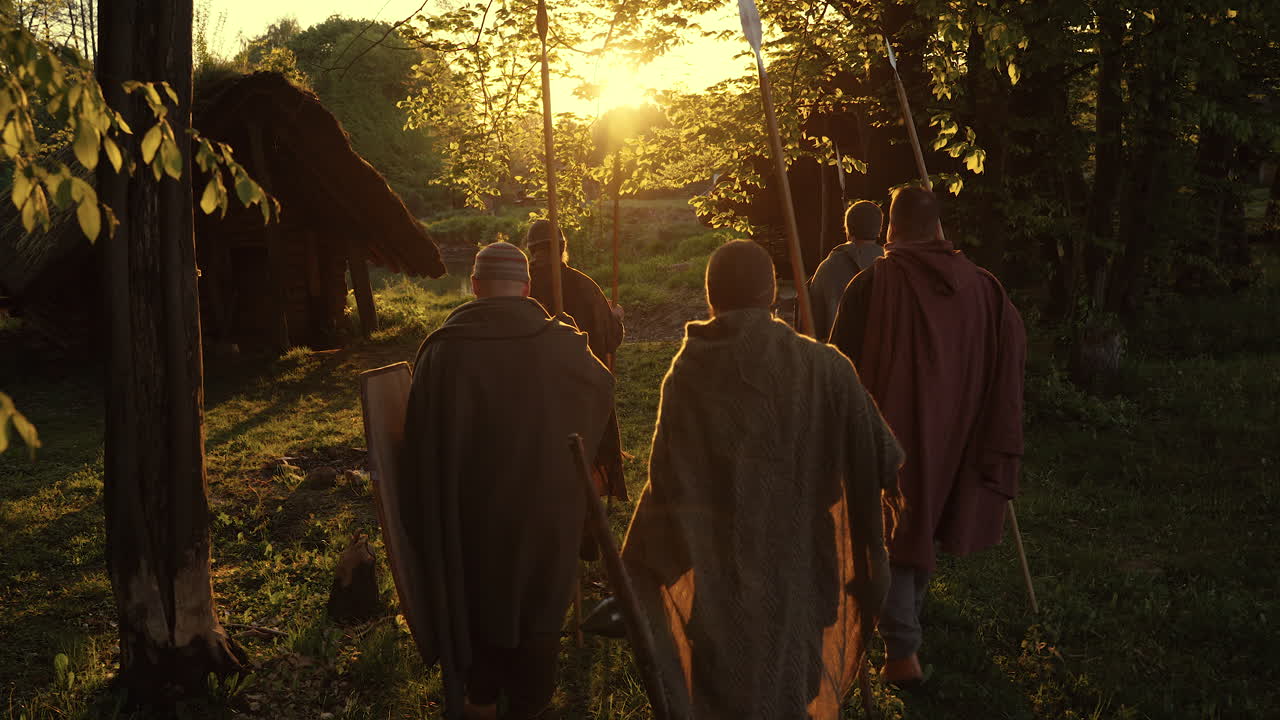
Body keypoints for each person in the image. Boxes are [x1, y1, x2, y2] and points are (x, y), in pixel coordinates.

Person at [620, 240, 903, 719]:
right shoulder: (828, 367)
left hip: (722, 573)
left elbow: (668, 484)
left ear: (710, 299)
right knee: (794, 683)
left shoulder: (688, 373)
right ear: (774, 294)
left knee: (726, 689)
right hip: (806, 568)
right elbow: (880, 459)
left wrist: (640, 566)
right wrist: (871, 553)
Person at [399, 241, 616, 719]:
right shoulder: (562, 343)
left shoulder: (439, 352)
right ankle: (528, 705)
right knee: (540, 616)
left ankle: (479, 701)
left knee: (479, 615)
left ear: (475, 286)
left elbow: (419, 450)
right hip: (545, 516)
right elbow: (602, 389)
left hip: (470, 525)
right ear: (527, 287)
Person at [828, 187, 1026, 685]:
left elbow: (837, 368)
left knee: (894, 528)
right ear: (939, 228)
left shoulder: (872, 285)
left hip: (894, 429)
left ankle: (902, 649)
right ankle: (906, 626)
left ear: (891, 230)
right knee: (922, 520)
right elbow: (1012, 350)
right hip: (959, 431)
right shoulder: (985, 287)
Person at [526, 218, 627, 500]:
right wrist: (616, 318)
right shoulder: (584, 286)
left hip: (535, 395)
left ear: (531, 250)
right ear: (562, 248)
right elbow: (609, 339)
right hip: (581, 390)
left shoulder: (521, 287)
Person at [808, 200, 885, 339]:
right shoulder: (894, 266)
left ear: (847, 229)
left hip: (838, 356)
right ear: (879, 229)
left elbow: (812, 327)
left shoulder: (827, 268)